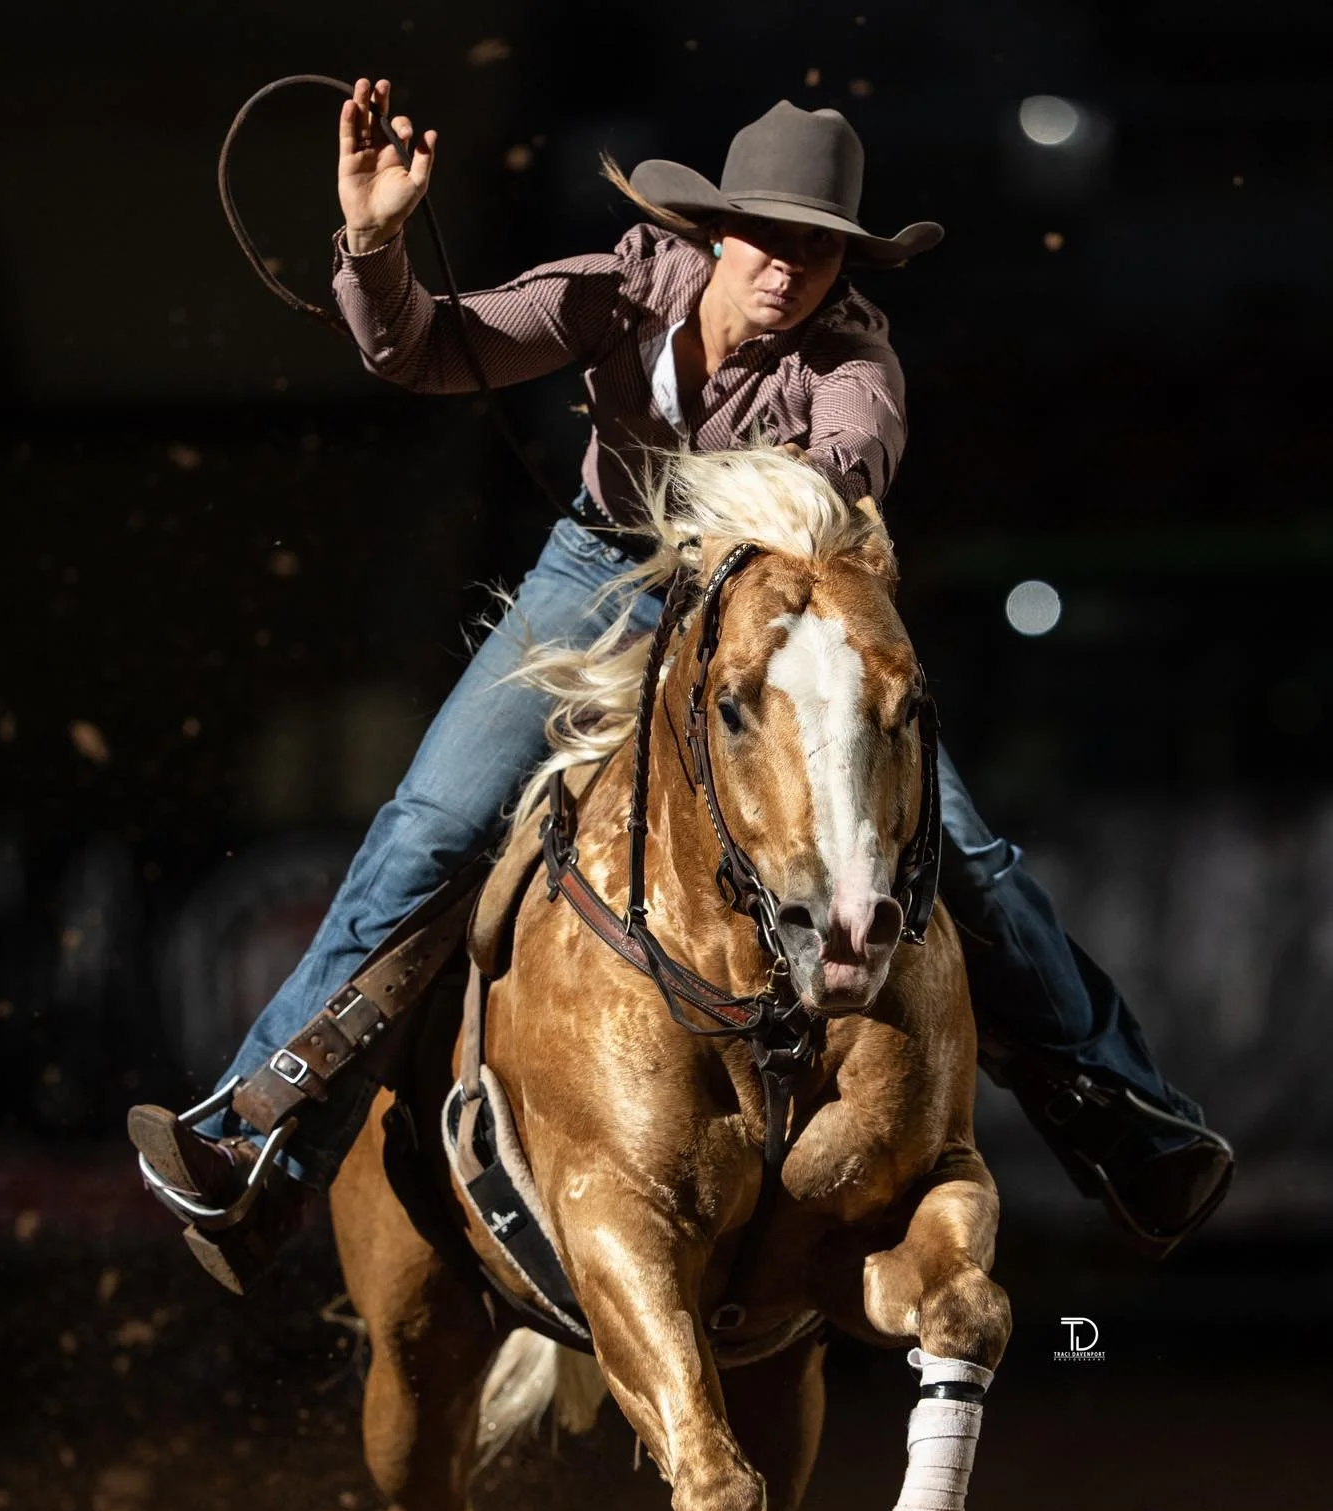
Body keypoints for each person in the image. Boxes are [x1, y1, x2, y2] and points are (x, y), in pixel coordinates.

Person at [128, 87, 1233, 1291]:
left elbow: (848, 462)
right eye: (773, 236)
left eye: (822, 247)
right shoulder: (611, 291)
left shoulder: (853, 357)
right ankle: (257, 1142)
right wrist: (377, 240)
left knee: (965, 854)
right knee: (434, 826)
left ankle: (1127, 1117)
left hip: (762, 597)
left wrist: (768, 531)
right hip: (599, 569)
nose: (793, 268)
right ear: (715, 231)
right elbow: (425, 348)